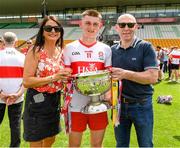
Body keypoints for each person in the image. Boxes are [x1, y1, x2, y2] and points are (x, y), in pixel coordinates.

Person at [63, 9, 112, 147]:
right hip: (75, 104)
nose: (91, 27)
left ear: (100, 25)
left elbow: (109, 77)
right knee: (74, 145)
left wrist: (108, 94)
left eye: (95, 24)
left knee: (97, 145)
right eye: (88, 23)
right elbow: (66, 76)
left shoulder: (106, 49)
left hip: (98, 103)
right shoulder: (69, 48)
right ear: (80, 24)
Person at [22, 16, 72, 147]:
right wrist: (54, 77)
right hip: (37, 101)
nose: (53, 31)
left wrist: (65, 78)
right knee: (37, 141)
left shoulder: (61, 51)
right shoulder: (35, 51)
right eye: (48, 28)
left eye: (57, 28)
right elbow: (26, 81)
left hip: (55, 100)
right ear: (42, 32)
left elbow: (63, 76)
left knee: (51, 139)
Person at [111, 13, 158, 147]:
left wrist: (126, 74)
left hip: (141, 105)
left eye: (130, 25)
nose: (126, 28)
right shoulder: (112, 50)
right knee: (121, 144)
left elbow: (153, 77)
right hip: (118, 106)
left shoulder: (146, 47)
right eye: (122, 25)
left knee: (145, 144)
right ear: (116, 28)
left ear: (136, 27)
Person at [0, 32, 25, 147]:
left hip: (1, 96)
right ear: (16, 42)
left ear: (3, 42)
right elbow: (27, 78)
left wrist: (1, 94)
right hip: (17, 97)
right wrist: (19, 93)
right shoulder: (22, 57)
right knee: (15, 124)